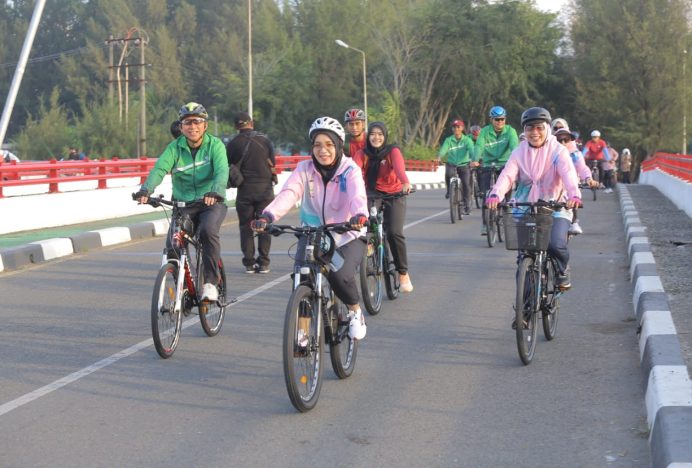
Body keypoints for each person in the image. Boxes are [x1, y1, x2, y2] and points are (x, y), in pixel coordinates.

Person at [251, 117, 369, 340]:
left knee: (341, 275)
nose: (322, 151)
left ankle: (355, 311)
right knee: (302, 277)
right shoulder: (304, 169)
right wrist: (268, 215)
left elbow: (356, 195)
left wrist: (359, 215)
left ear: (338, 145)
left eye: (328, 145)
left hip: (347, 233)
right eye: (317, 145)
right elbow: (289, 193)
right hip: (312, 234)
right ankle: (303, 332)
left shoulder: (349, 170)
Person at [135, 102, 229, 302]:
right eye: (187, 122)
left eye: (197, 122)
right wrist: (146, 189)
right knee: (173, 245)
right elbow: (160, 169)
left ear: (205, 125)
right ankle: (185, 287)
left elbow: (222, 172)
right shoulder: (174, 148)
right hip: (183, 205)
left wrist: (216, 191)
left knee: (207, 232)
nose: (192, 126)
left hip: (210, 202)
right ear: (181, 126)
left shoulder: (215, 146)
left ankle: (210, 283)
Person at [486, 107, 581, 295]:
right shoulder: (519, 152)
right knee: (524, 258)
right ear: (524, 130)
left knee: (555, 244)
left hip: (556, 205)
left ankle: (563, 269)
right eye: (530, 128)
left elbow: (569, 175)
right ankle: (524, 309)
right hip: (526, 206)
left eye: (539, 127)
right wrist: (496, 194)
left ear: (547, 128)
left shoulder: (558, 151)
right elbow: (507, 175)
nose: (534, 133)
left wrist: (574, 195)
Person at [352, 121, 414, 293]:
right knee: (365, 222)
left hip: (395, 194)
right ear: (368, 136)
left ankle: (402, 273)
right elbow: (353, 173)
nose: (376, 137)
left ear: (385, 136)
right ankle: (372, 244)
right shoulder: (362, 153)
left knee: (394, 232)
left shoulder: (392, 151)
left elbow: (400, 168)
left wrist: (405, 182)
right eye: (372, 134)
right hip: (372, 193)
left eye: (380, 134)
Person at [226, 111, 276, 274]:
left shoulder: (233, 143)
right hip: (265, 190)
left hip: (245, 191)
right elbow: (273, 162)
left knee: (246, 227)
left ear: (236, 126)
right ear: (251, 123)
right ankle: (264, 263)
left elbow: (228, 166)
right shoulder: (265, 140)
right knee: (264, 224)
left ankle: (249, 263)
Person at [472, 105, 520, 235]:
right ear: (491, 120)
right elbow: (479, 146)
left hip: (506, 164)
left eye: (502, 119)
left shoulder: (510, 131)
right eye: (497, 119)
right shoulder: (485, 132)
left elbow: (514, 147)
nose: (500, 122)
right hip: (488, 164)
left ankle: (505, 214)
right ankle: (485, 224)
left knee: (507, 194)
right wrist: (475, 159)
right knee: (487, 195)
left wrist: (516, 162)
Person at [555, 127, 598, 234]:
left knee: (572, 200)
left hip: (572, 184)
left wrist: (588, 179)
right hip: (554, 186)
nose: (563, 142)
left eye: (566, 139)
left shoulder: (575, 154)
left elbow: (582, 168)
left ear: (571, 140)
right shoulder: (549, 154)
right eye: (559, 140)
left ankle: (574, 221)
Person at [438, 119, 475, 214]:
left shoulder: (467, 140)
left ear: (462, 128)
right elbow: (443, 150)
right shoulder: (448, 140)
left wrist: (474, 160)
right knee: (448, 174)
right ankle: (448, 190)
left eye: (458, 127)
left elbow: (471, 151)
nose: (456, 129)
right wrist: (439, 157)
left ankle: (467, 204)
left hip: (464, 165)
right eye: (454, 127)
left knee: (466, 184)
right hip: (451, 164)